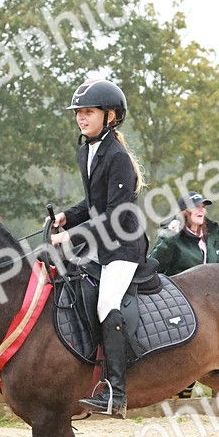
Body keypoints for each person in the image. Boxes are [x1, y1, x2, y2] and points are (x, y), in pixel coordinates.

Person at [49, 78, 156, 419]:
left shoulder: (118, 156)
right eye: (79, 113)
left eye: (89, 112)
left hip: (123, 246)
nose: (81, 118)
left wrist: (74, 235)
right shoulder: (87, 151)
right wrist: (69, 216)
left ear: (111, 116)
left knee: (107, 301)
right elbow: (93, 203)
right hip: (100, 241)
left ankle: (116, 391)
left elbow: (114, 214)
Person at [150, 192, 219, 275]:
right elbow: (156, 266)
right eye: (196, 207)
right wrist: (170, 236)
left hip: (211, 290)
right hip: (180, 290)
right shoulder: (171, 234)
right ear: (184, 212)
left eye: (203, 207)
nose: (201, 210)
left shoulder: (212, 235)